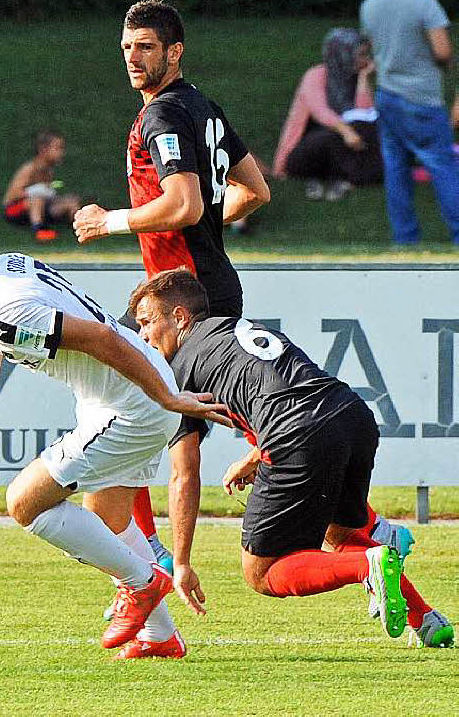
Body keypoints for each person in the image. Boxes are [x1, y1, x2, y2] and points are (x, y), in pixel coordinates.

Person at [0, 205, 232, 660]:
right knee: (108, 520)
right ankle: (159, 637)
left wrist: (165, 399)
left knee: (25, 502)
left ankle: (145, 583)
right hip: (126, 397)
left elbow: (102, 339)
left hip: (132, 404)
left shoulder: (4, 307)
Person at [129, 268, 454, 648]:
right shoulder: (233, 328)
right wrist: (255, 455)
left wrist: (181, 562)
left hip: (296, 436)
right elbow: (290, 392)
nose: (142, 336)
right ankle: (427, 620)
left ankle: (369, 563)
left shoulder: (178, 373)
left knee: (262, 571)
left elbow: (184, 475)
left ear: (180, 317)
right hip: (350, 415)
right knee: (341, 532)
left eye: (147, 322)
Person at [71, 0, 270, 587]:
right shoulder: (203, 107)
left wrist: (110, 221)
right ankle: (155, 560)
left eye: (146, 47)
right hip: (198, 289)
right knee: (132, 418)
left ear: (174, 52)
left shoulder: (160, 116)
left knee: (141, 426)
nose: (133, 58)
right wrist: (208, 226)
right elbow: (254, 190)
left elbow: (182, 203)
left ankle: (161, 566)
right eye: (127, 47)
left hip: (185, 303)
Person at [360, 0, 459, 246]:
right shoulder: (424, 3)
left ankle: (404, 239)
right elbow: (442, 51)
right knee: (442, 165)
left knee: (396, 168)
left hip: (387, 95)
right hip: (422, 98)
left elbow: (372, 47)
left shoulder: (370, 5)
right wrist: (447, 61)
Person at [272, 28, 383, 200]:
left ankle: (343, 178)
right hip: (307, 148)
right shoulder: (315, 75)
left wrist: (363, 79)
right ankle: (360, 177)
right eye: (360, 55)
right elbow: (320, 111)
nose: (366, 60)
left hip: (341, 143)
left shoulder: (354, 76)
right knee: (330, 138)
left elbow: (365, 114)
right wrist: (346, 131)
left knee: (371, 129)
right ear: (344, 55)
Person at [2, 130, 80, 241]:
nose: (62, 153)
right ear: (43, 150)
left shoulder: (49, 170)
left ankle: (79, 227)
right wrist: (35, 191)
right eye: (58, 148)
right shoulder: (29, 169)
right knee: (37, 199)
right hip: (15, 210)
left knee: (70, 201)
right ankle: (39, 230)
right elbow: (11, 196)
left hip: (42, 207)